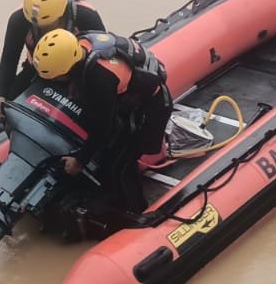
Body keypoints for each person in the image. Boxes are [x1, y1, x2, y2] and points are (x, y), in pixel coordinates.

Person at [31, 28, 171, 211]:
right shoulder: (80, 45)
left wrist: (80, 161)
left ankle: (137, 211)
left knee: (118, 165)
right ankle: (112, 195)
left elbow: (102, 127)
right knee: (108, 153)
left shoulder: (101, 78)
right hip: (128, 100)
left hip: (151, 108)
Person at [0, 0, 104, 114]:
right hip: (38, 68)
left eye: (48, 24)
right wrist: (2, 96)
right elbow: (9, 59)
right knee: (7, 107)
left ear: (62, 11)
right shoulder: (19, 19)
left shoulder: (86, 16)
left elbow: (101, 57)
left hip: (76, 71)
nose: (44, 31)